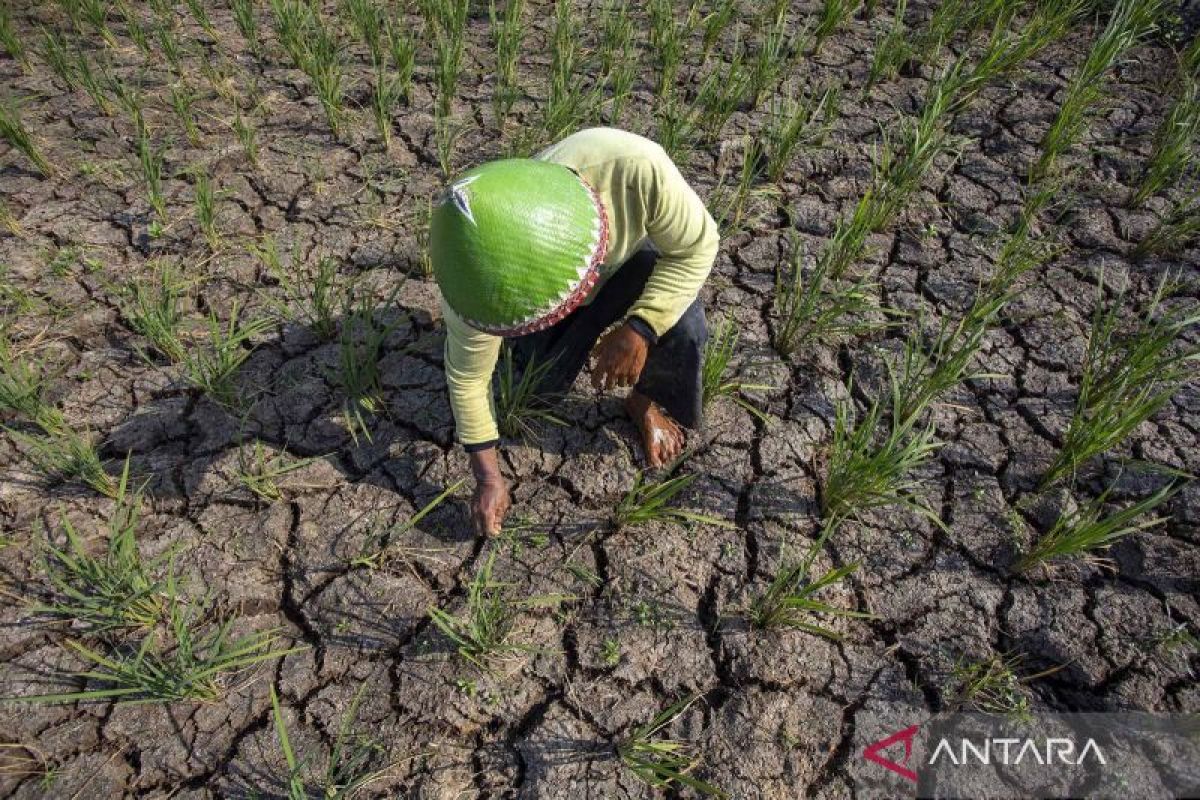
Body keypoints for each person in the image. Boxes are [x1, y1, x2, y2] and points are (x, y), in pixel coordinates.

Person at [430, 127, 719, 537]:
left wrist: (641, 328)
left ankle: (643, 402)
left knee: (684, 321)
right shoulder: (471, 279)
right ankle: (556, 338)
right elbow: (468, 378)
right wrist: (487, 478)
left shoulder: (636, 168)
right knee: (541, 389)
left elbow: (698, 246)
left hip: (629, 270)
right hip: (532, 291)